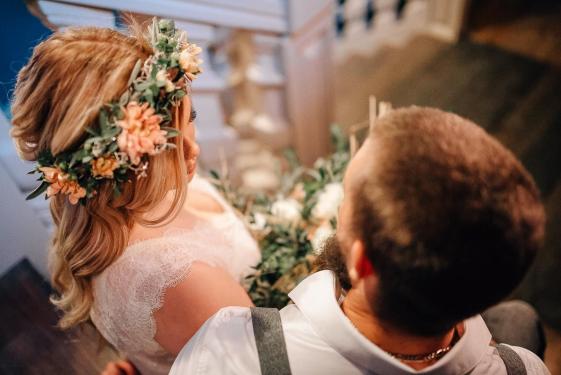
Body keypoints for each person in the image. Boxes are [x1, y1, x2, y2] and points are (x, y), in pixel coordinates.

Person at [170, 107, 550, 374]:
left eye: (347, 194)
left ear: (362, 261)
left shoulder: (228, 354)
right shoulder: (526, 368)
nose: (339, 205)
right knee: (521, 319)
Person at [10, 20, 260, 375]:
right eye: (164, 145)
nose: (193, 149)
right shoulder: (176, 280)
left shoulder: (105, 206)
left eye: (191, 117)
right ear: (111, 163)